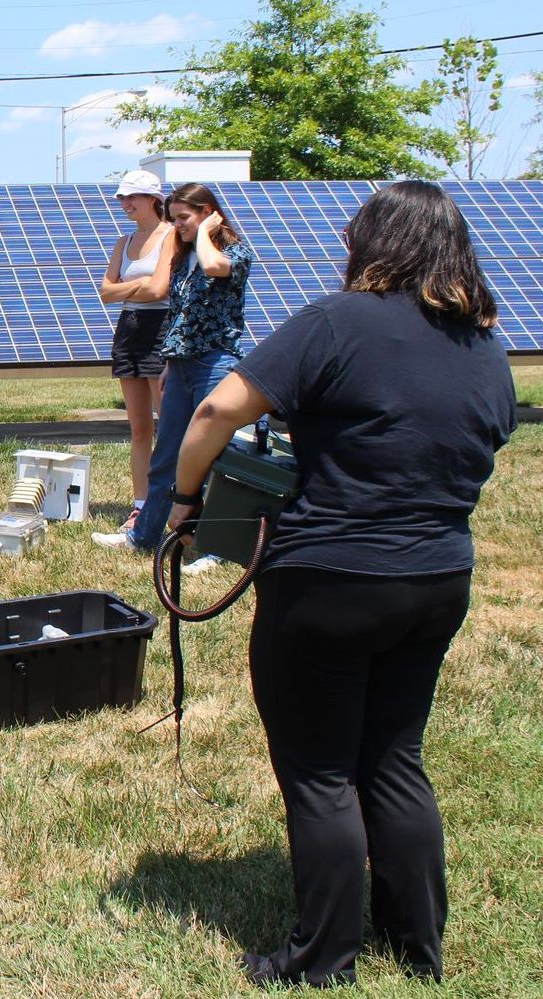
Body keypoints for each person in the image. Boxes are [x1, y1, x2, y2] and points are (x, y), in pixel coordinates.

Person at [167, 181, 517, 987]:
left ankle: (319, 957)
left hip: (327, 583)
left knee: (320, 772)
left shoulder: (336, 320)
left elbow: (216, 410)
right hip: (436, 579)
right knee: (394, 759)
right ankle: (416, 944)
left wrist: (185, 502)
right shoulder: (484, 346)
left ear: (373, 243)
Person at [92, 181, 254, 574]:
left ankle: (215, 549)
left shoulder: (234, 253)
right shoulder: (183, 260)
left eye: (184, 217)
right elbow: (179, 314)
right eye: (174, 217)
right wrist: (167, 363)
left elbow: (216, 267)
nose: (176, 224)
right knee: (168, 453)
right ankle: (143, 536)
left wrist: (205, 233)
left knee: (216, 455)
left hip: (216, 363)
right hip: (179, 365)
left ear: (208, 214)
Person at [97, 169, 176, 534]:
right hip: (129, 332)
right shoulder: (122, 241)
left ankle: (171, 505)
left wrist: (129, 286)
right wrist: (138, 285)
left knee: (169, 425)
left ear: (153, 199)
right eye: (122, 198)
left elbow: (160, 289)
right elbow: (105, 292)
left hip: (161, 330)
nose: (125, 203)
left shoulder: (170, 236)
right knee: (140, 429)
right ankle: (140, 506)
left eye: (133, 197)